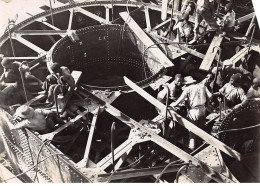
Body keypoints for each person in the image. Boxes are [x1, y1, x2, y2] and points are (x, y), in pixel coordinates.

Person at [170, 76, 212, 150]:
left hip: (194, 111)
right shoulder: (203, 86)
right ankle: (199, 145)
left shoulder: (188, 88)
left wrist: (174, 105)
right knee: (200, 128)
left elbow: (181, 99)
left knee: (192, 130)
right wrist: (207, 103)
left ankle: (191, 148)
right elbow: (210, 95)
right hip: (203, 109)